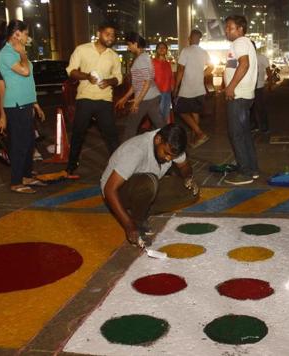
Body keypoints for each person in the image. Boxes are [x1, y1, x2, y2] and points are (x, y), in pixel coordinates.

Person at [101, 124, 200, 246]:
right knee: (149, 182)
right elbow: (109, 189)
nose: (169, 159)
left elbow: (184, 166)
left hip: (146, 187)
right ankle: (137, 220)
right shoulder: (136, 149)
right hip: (117, 193)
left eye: (172, 156)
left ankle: (141, 210)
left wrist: (188, 177)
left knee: (190, 191)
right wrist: (128, 225)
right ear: (158, 139)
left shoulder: (171, 144)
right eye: (166, 153)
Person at [0, 20, 46, 194]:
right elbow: (25, 72)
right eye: (25, 33)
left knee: (30, 143)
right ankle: (16, 182)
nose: (27, 37)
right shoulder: (8, 53)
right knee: (19, 144)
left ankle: (26, 176)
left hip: (26, 103)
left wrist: (35, 103)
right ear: (16, 34)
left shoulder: (15, 52)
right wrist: (22, 53)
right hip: (16, 104)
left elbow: (27, 81)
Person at [65, 23, 123, 178]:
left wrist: (110, 81)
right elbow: (71, 71)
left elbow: (119, 77)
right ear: (99, 33)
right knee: (78, 133)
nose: (111, 37)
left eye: (113, 35)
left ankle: (119, 168)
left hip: (105, 100)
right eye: (107, 34)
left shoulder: (113, 56)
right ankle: (71, 167)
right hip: (85, 98)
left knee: (111, 135)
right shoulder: (82, 49)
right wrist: (86, 76)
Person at [222, 15, 259, 186]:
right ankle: (251, 168)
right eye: (226, 27)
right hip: (243, 95)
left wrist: (230, 87)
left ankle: (245, 173)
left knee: (236, 134)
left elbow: (244, 64)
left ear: (240, 29)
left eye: (230, 27)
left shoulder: (240, 42)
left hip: (238, 95)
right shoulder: (243, 43)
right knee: (244, 134)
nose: (227, 31)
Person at [116, 32, 166, 140]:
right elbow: (136, 84)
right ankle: (171, 142)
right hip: (151, 96)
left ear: (135, 43)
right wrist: (125, 98)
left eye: (129, 44)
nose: (128, 48)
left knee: (131, 126)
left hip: (146, 98)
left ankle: (125, 151)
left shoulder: (142, 59)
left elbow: (147, 82)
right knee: (160, 125)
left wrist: (137, 102)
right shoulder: (143, 57)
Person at [173, 29, 214, 148]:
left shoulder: (186, 51)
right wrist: (202, 74)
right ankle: (195, 137)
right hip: (199, 89)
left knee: (180, 111)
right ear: (199, 40)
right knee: (195, 112)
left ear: (190, 38)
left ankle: (200, 133)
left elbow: (180, 70)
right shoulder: (204, 52)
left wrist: (176, 87)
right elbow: (211, 67)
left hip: (187, 89)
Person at [250, 41, 270, 134]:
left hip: (259, 87)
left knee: (260, 107)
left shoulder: (262, 57)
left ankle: (265, 126)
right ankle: (254, 125)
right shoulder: (246, 58)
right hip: (248, 87)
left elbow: (268, 71)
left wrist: (270, 83)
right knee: (250, 108)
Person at [152, 42, 174, 123]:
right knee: (159, 113)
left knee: (166, 111)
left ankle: (165, 130)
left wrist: (172, 85)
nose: (161, 49)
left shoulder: (168, 63)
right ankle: (160, 131)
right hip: (157, 91)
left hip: (167, 91)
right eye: (159, 47)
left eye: (164, 48)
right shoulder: (152, 62)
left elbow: (171, 76)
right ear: (156, 50)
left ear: (166, 50)